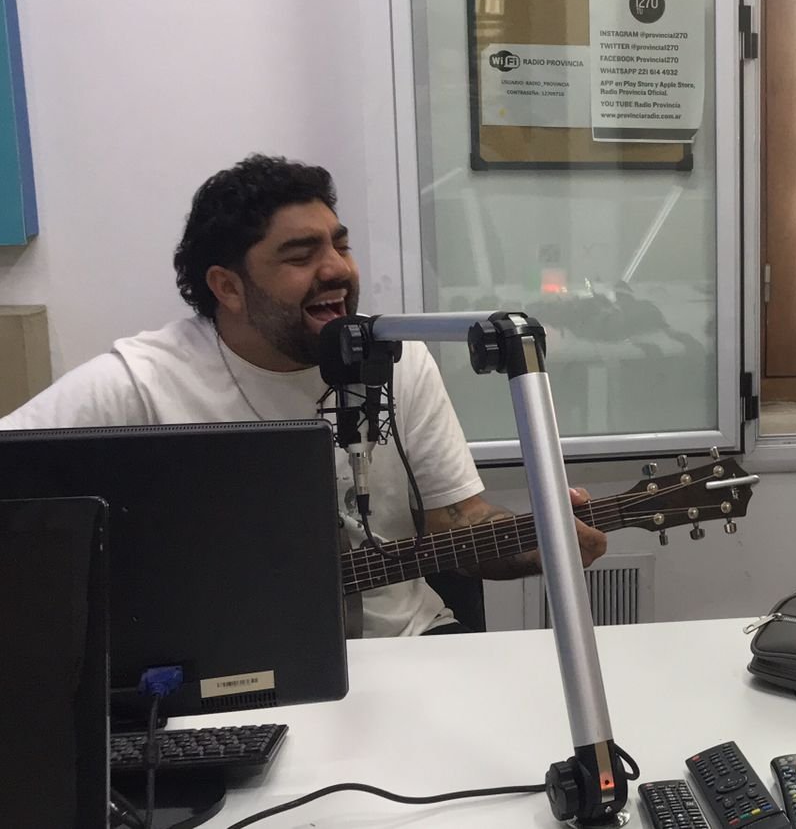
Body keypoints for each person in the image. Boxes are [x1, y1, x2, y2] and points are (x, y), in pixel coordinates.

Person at [0, 154, 607, 636]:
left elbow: (459, 524)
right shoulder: (140, 381)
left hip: (409, 647)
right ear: (228, 287)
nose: (338, 269)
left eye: (339, 245)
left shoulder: (398, 359)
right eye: (301, 255)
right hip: (224, 667)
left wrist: (540, 542)